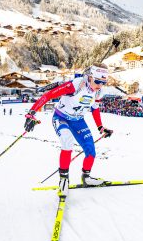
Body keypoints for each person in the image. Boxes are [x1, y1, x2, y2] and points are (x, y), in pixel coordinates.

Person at [23, 63, 114, 198]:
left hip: (78, 120)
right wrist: (31, 113)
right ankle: (64, 180)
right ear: (90, 77)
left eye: (103, 82)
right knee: (67, 142)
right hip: (61, 118)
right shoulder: (76, 85)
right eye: (98, 81)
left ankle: (86, 177)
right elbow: (48, 95)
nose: (100, 85)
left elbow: (95, 108)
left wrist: (100, 127)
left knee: (91, 150)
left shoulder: (99, 91)